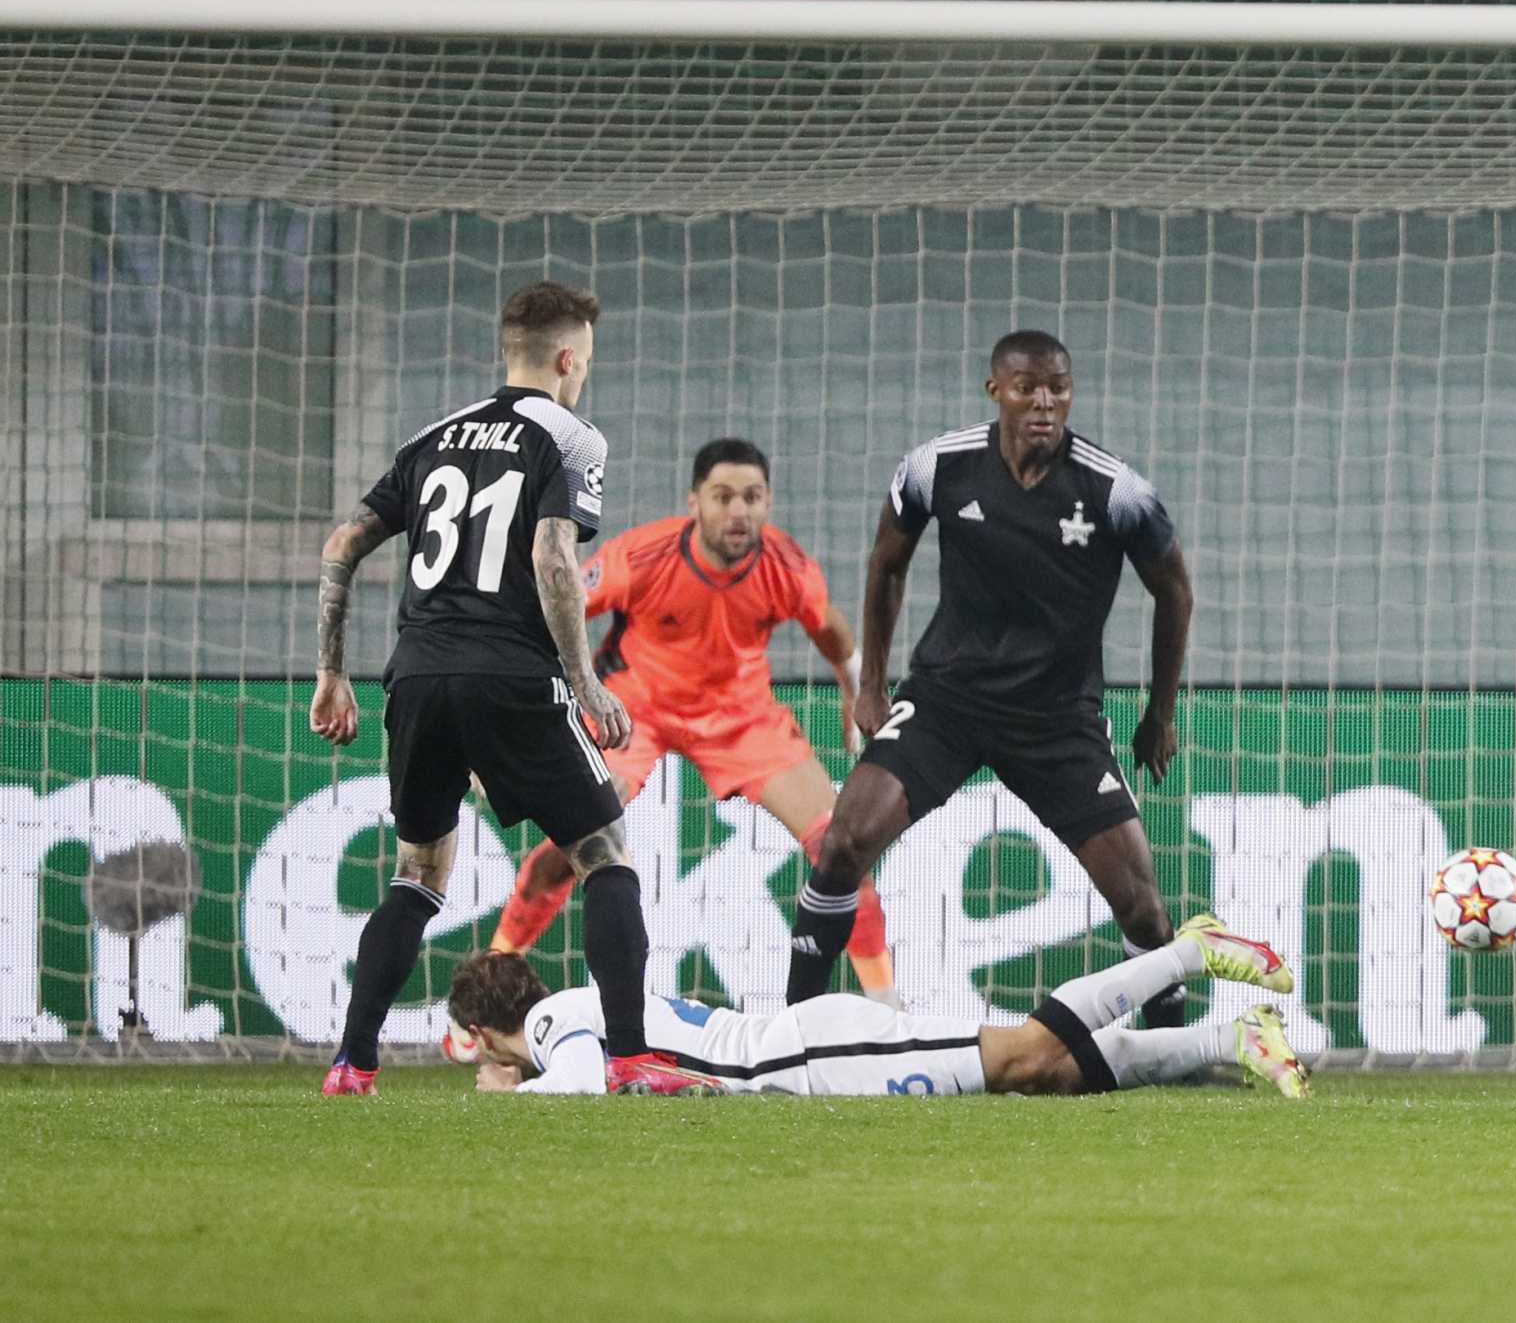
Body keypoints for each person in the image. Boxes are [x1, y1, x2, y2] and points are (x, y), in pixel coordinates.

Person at [310, 279, 709, 1096]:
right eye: (586, 360)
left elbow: (344, 541)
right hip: (510, 675)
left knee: (418, 873)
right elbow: (554, 557)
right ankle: (630, 1056)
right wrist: (586, 682)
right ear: (569, 358)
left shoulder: (433, 436)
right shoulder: (570, 437)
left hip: (415, 675)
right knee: (603, 856)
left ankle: (352, 1063)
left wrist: (330, 668)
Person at [782, 331, 1195, 1028]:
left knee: (1142, 907)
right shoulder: (936, 468)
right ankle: (790, 1030)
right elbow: (887, 563)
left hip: (1058, 719)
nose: (1044, 401)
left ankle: (1168, 1049)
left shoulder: (1116, 490)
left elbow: (1175, 591)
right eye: (1027, 385)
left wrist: (1159, 712)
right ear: (994, 390)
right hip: (948, 702)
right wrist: (873, 684)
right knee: (844, 840)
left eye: (1058, 387)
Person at [469, 437, 894, 1014]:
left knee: (841, 846)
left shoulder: (786, 565)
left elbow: (831, 629)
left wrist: (857, 688)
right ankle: (488, 996)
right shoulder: (643, 555)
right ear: (695, 502)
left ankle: (890, 1017)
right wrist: (497, 706)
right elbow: (555, 606)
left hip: (741, 718)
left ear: (768, 502)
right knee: (573, 846)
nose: (738, 511)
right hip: (632, 711)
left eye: (752, 497)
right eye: (723, 497)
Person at [449, 915, 1306, 1099]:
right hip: (809, 1062)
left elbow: (575, 1081)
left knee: (1026, 1049)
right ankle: (1229, 1034)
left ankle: (1194, 948)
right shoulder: (573, 1005)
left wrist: (504, 1092)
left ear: (490, 1031)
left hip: (810, 1055)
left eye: (480, 1046)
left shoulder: (559, 1017)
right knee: (1040, 1072)